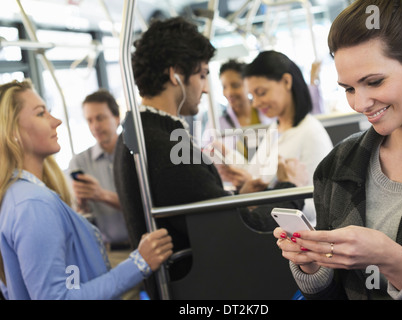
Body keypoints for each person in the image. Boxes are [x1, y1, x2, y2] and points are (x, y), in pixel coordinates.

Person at [274, 0, 402, 300]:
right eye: (349, 88)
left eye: (374, 82)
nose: (360, 103)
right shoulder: (337, 166)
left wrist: (393, 261)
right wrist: (315, 268)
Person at [124, 17, 305, 271]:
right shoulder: (167, 151)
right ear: (175, 75)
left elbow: (203, 212)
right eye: (202, 75)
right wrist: (292, 191)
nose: (206, 90)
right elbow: (238, 232)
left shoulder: (141, 135)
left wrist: (240, 198)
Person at [0, 80, 173, 299]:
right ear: (13, 131)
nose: (57, 121)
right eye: (41, 113)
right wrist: (139, 263)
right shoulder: (32, 203)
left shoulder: (23, 195)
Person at [217, 51, 333, 225]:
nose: (255, 103)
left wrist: (284, 189)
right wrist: (236, 168)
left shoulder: (311, 133)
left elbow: (321, 205)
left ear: (286, 81)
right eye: (252, 96)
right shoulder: (275, 128)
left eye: (261, 93)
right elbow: (258, 174)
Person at [67, 90, 130, 267]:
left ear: (117, 118)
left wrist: (101, 195)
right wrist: (81, 207)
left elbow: (144, 204)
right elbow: (80, 218)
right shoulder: (79, 162)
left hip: (149, 244)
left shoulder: (136, 155)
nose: (95, 126)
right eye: (90, 120)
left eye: (100, 118)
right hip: (111, 255)